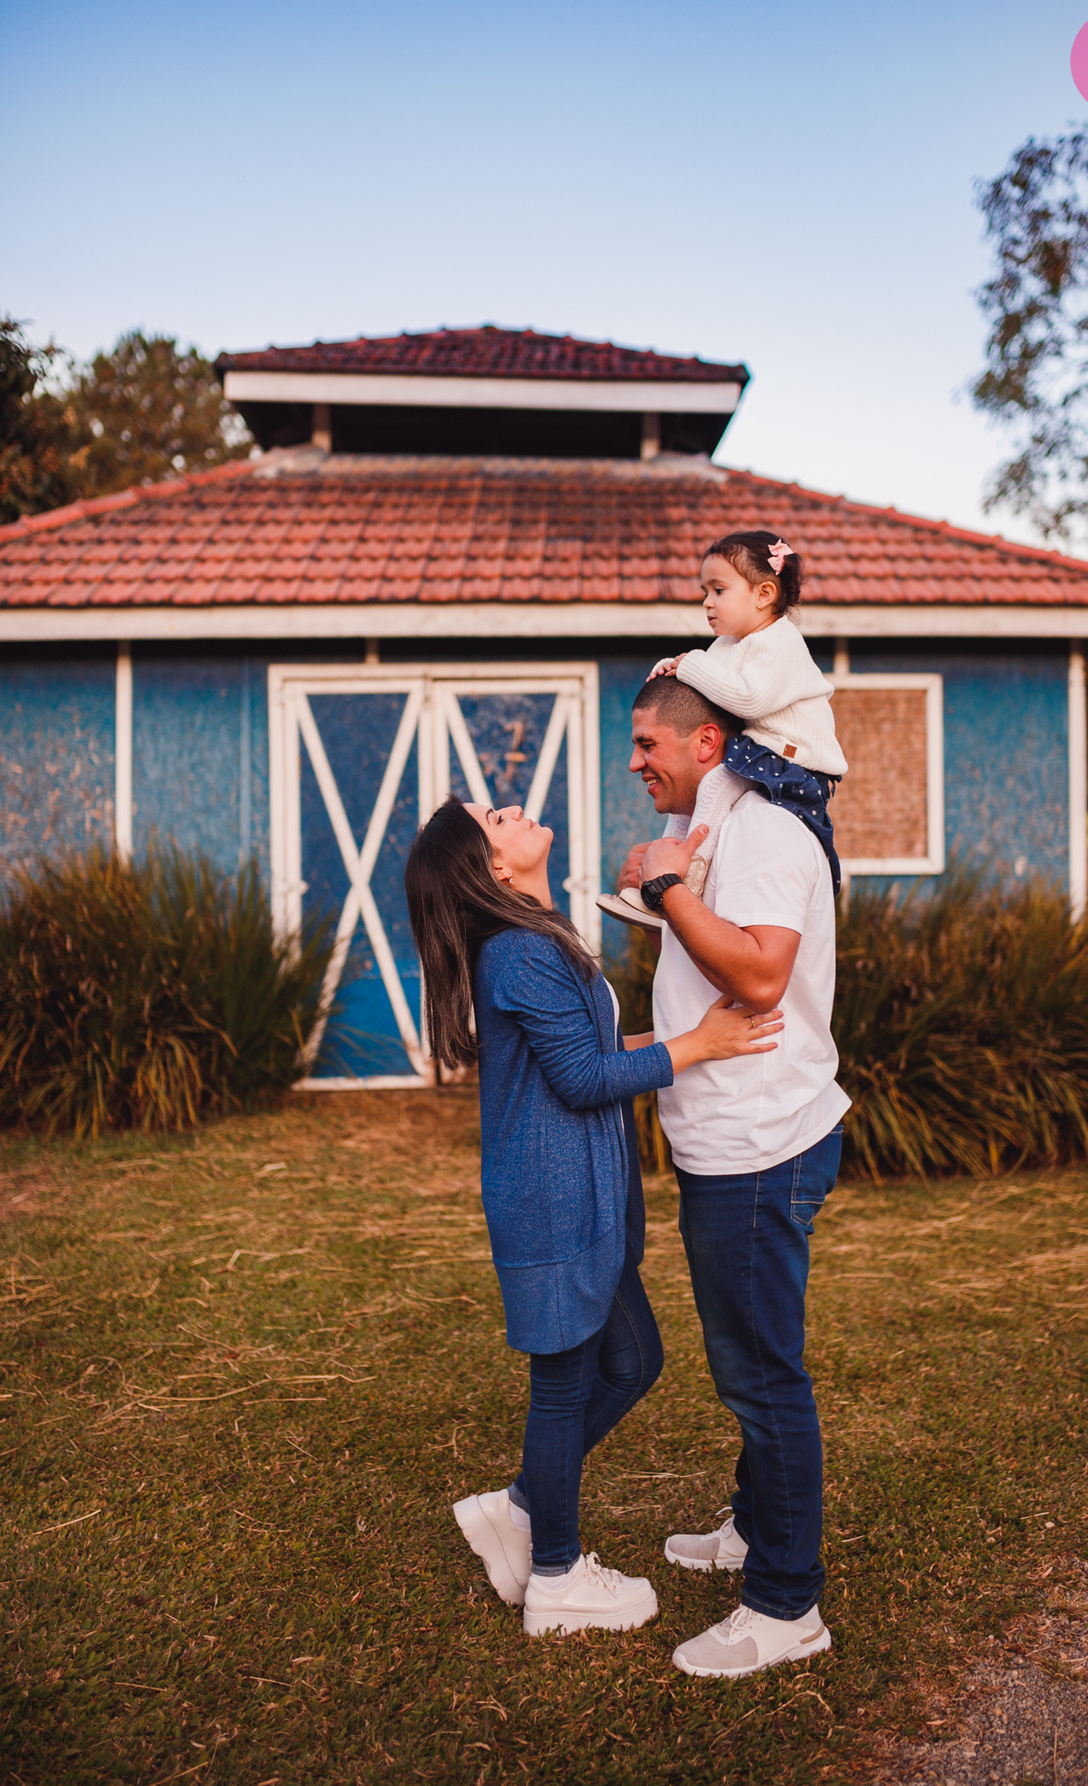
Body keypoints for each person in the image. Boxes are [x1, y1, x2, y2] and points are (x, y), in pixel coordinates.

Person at [404, 795, 782, 1639]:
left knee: (633, 1359)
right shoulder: (520, 952)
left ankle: (520, 1508)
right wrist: (700, 1047)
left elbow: (588, 1057)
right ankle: (557, 1576)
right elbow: (583, 1082)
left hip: (579, 1199)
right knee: (565, 1386)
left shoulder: (536, 941)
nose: (511, 809)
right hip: (553, 1204)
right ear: (494, 866)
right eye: (494, 819)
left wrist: (688, 1038)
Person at [618, 672, 851, 1679]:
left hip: (760, 1147)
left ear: (707, 742)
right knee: (751, 1360)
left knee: (762, 1377)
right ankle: (756, 1530)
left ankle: (786, 1605)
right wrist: (664, 884)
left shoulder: (762, 833)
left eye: (648, 743)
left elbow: (759, 973)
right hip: (732, 1138)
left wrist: (668, 890)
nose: (636, 762)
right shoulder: (719, 827)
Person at [603, 530, 846, 937]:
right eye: (705, 592)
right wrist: (673, 668)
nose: (707, 602)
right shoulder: (727, 645)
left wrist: (690, 665)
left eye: (718, 590)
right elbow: (704, 691)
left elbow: (748, 700)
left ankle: (687, 883)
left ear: (764, 594)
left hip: (794, 760)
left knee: (714, 784)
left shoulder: (780, 641)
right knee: (689, 800)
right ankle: (660, 883)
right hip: (759, 751)